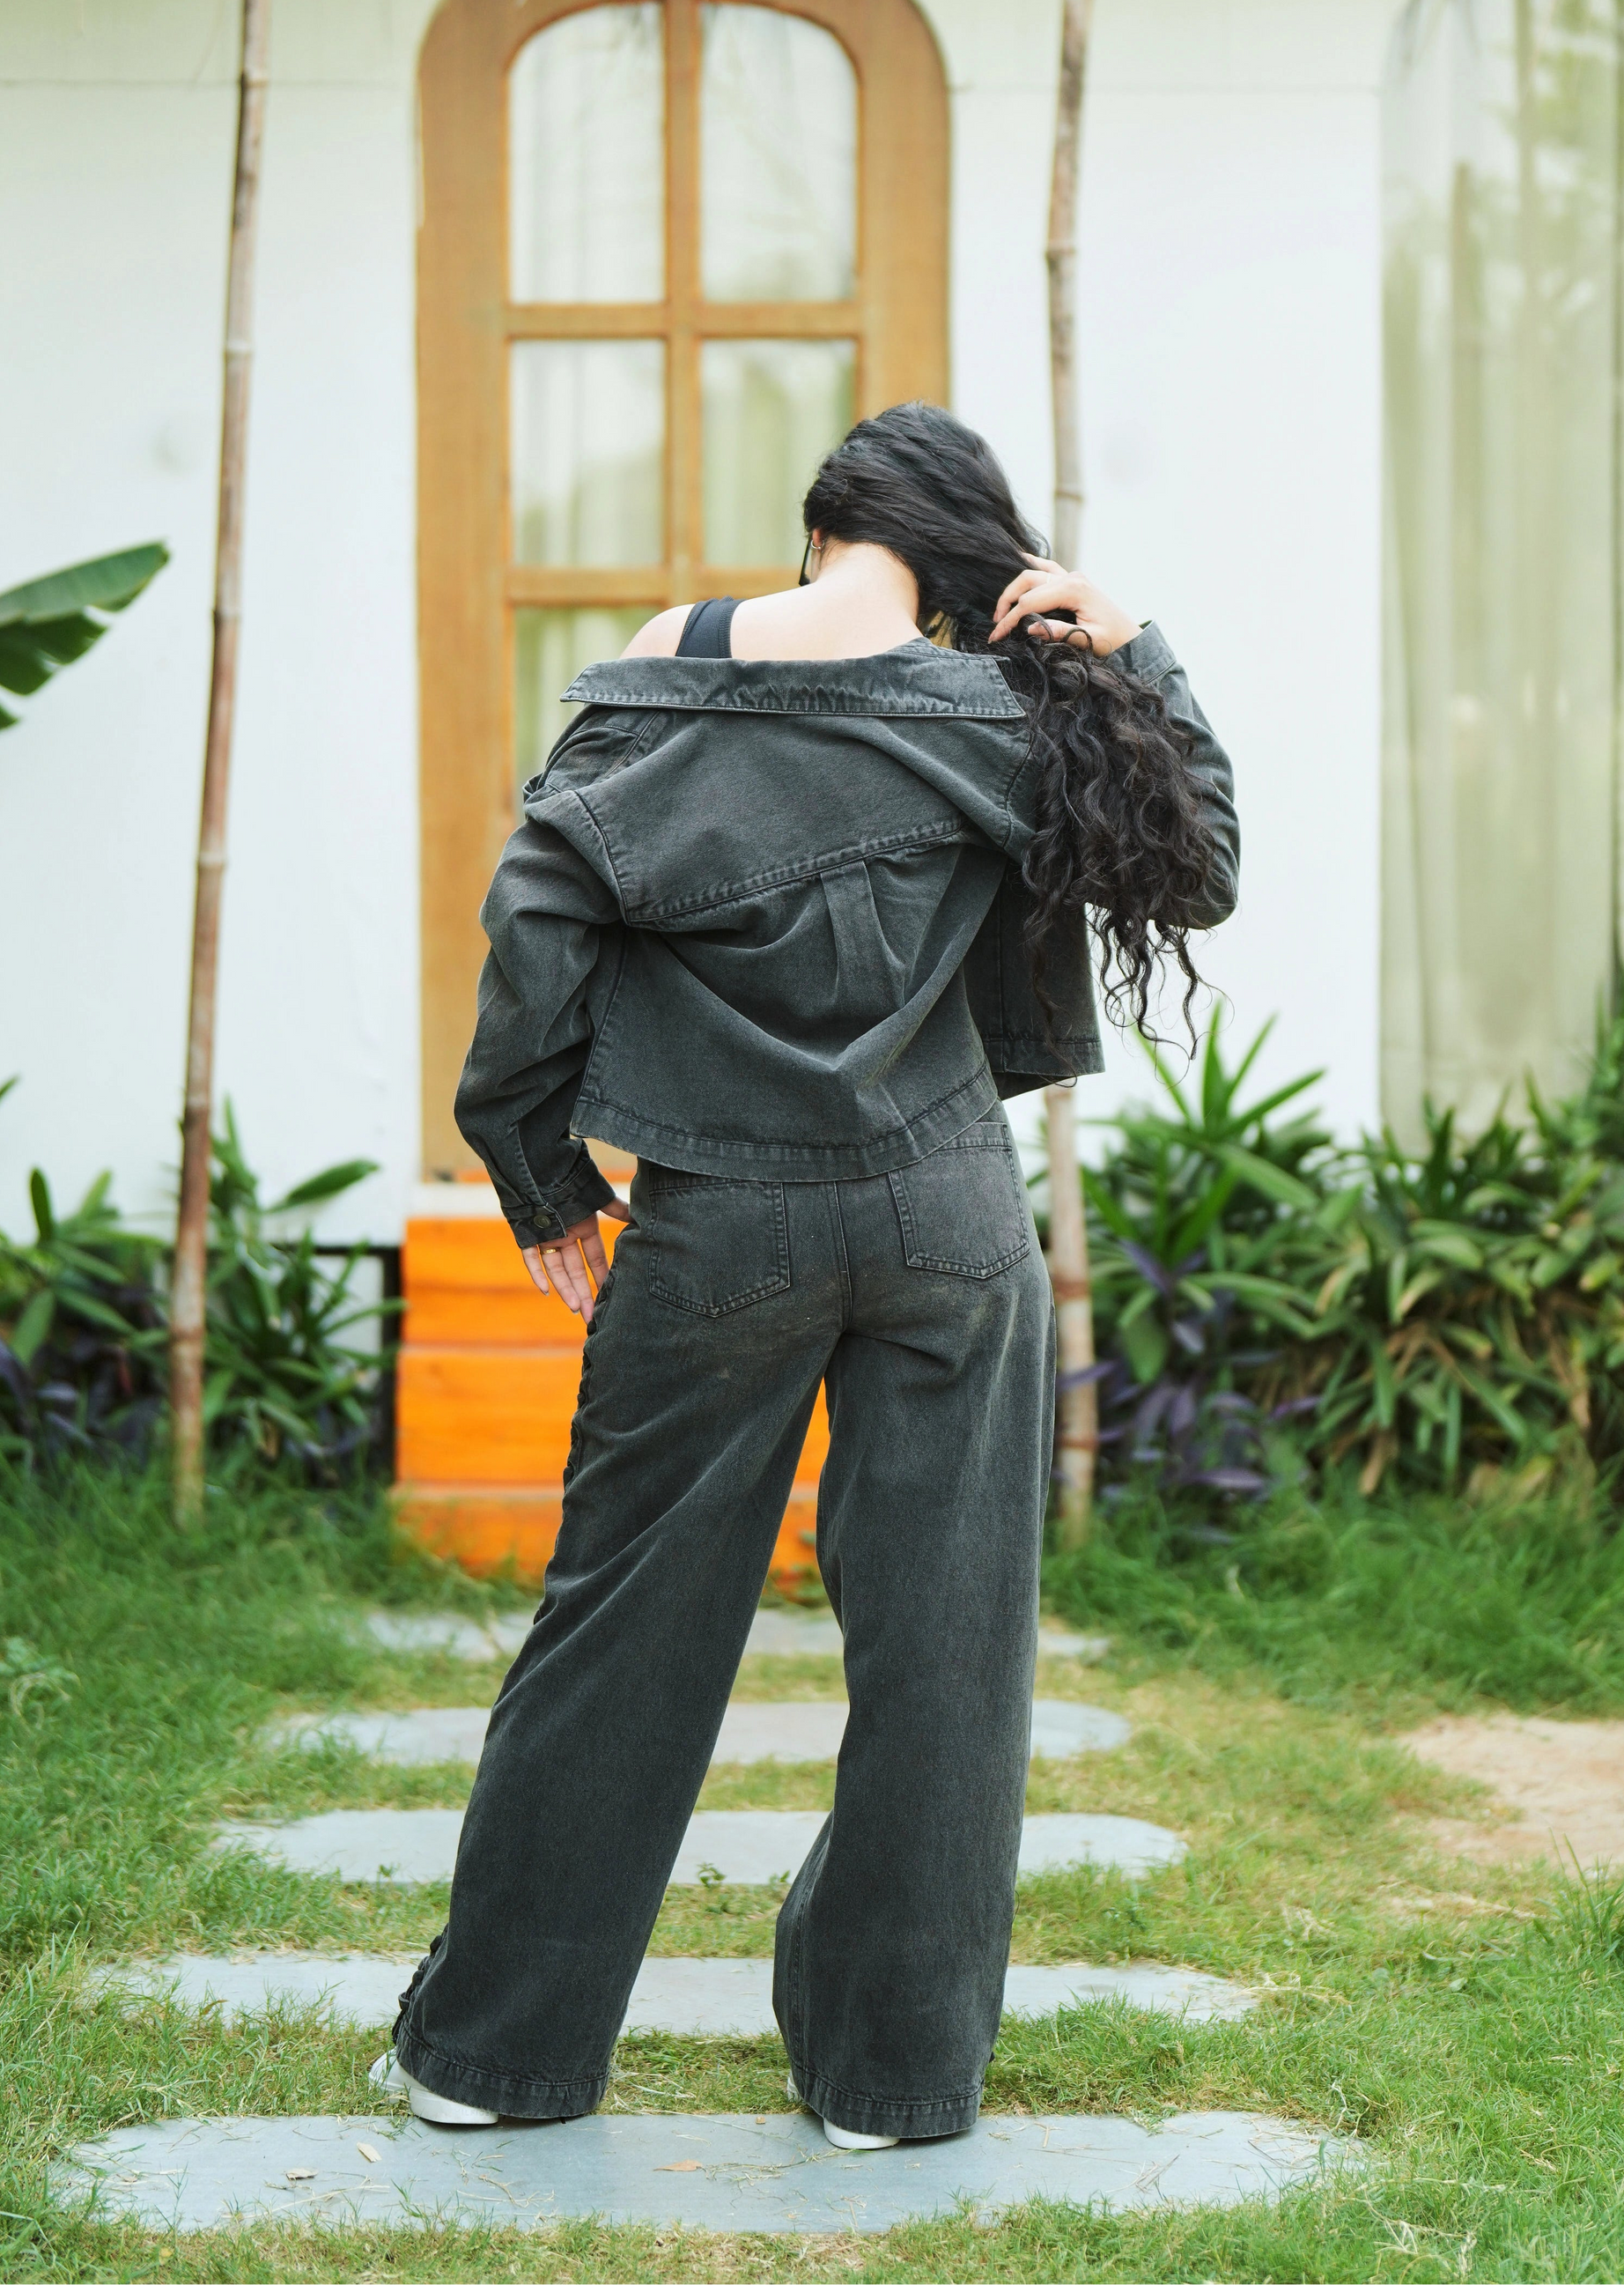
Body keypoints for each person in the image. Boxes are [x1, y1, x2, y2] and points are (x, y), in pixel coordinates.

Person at [373, 403, 1238, 2149]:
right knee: (946, 1645)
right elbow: (1200, 865)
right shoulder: (1002, 708)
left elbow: (532, 917)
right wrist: (1132, 642)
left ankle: (490, 2059)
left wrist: (538, 1170)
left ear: (825, 527)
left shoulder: (661, 670)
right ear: (962, 554)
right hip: (948, 1215)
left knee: (620, 1627)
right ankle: (893, 2083)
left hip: (717, 1220)